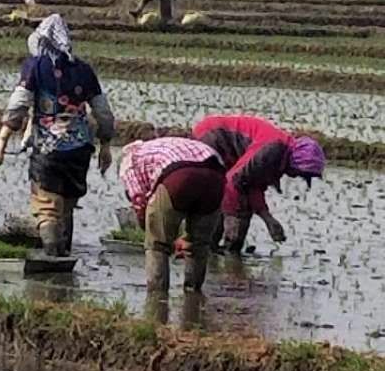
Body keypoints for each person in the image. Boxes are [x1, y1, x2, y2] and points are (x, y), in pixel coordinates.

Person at [0, 14, 115, 256]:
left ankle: (52, 258)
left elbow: (19, 103)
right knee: (67, 206)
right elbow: (103, 112)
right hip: (79, 149)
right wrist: (106, 144)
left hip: (48, 148)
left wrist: (2, 138)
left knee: (47, 208)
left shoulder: (36, 66)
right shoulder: (83, 70)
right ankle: (64, 257)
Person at [191, 114, 326, 252]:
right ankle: (218, 251)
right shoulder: (272, 151)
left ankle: (215, 249)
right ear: (297, 162)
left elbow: (252, 184)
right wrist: (233, 221)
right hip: (214, 136)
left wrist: (268, 219)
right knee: (227, 202)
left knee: (235, 203)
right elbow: (234, 182)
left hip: (220, 139)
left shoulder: (279, 155)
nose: (297, 176)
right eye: (301, 173)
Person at [118, 137, 226, 294]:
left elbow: (139, 201)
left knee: (157, 246)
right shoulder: (159, 145)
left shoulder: (129, 163)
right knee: (198, 245)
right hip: (215, 176)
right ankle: (193, 293)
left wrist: (147, 227)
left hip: (179, 176)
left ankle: (157, 298)